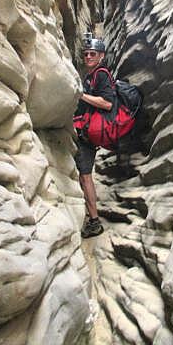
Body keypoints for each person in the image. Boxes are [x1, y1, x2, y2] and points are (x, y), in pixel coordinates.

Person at [74, 37, 115, 238]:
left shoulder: (101, 75)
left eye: (93, 53)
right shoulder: (90, 77)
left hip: (87, 137)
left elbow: (107, 103)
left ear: (101, 56)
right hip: (82, 131)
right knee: (83, 175)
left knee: (85, 175)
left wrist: (80, 95)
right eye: (86, 53)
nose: (88, 56)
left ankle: (94, 221)